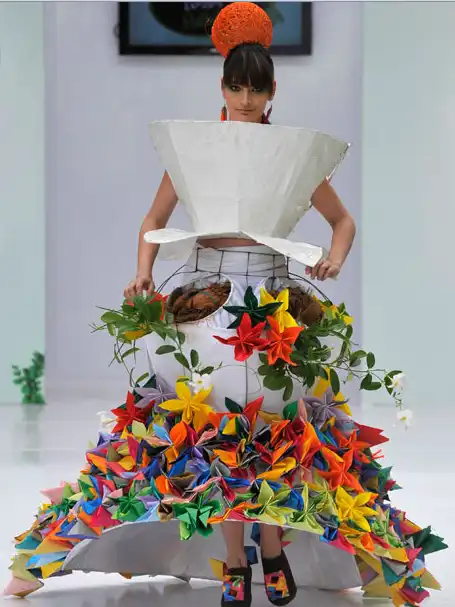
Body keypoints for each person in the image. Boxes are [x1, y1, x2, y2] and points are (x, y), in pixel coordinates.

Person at [5, 4, 445, 607]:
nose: (245, 100)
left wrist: (334, 260)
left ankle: (272, 545)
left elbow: (341, 221)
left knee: (276, 428)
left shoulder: (290, 153)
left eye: (255, 89)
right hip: (203, 303)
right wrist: (143, 272)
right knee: (216, 428)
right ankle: (237, 556)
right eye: (236, 88)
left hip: (274, 301)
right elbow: (154, 219)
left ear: (272, 92)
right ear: (222, 87)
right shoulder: (197, 151)